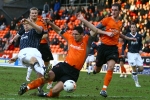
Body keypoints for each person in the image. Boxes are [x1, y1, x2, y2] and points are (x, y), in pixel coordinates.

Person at [17, 16, 114, 97]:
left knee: (55, 91)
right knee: (47, 77)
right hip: (63, 66)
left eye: (76, 34)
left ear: (82, 35)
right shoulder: (70, 38)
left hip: (73, 73)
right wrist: (50, 23)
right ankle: (26, 88)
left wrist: (83, 20)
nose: (74, 36)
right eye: (73, 34)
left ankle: (46, 95)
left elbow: (95, 30)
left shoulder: (87, 41)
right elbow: (58, 30)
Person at [77, 3, 136, 97]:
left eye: (115, 10)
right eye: (112, 10)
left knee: (111, 67)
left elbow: (118, 34)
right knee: (97, 70)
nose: (113, 11)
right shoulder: (107, 20)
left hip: (113, 49)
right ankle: (95, 69)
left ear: (119, 11)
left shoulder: (120, 23)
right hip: (103, 47)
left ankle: (104, 89)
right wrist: (106, 33)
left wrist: (129, 39)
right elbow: (95, 29)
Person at [122, 23, 144, 87]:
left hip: (137, 54)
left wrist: (140, 49)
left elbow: (140, 44)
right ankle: (136, 83)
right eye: (132, 27)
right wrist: (123, 53)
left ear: (136, 28)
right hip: (131, 54)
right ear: (130, 28)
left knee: (141, 69)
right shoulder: (128, 35)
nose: (133, 29)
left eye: (134, 27)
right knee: (134, 67)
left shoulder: (139, 36)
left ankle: (134, 73)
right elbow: (124, 45)